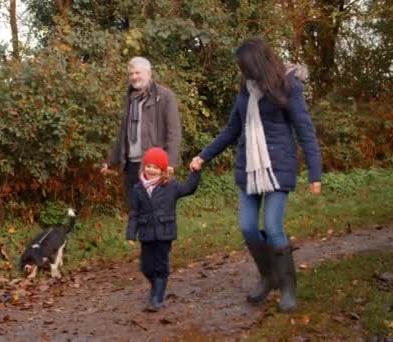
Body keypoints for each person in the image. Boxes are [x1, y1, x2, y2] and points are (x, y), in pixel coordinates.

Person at [189, 37, 321, 312]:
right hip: (248, 168)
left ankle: (287, 288)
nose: (242, 71)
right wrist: (204, 155)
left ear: (257, 62)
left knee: (273, 227)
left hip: (277, 168)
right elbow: (231, 130)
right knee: (248, 227)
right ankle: (268, 277)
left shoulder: (288, 85)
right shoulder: (244, 90)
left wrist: (314, 172)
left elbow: (305, 130)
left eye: (244, 65)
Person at [126, 147, 201, 312]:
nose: (151, 170)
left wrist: (195, 173)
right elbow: (134, 212)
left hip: (164, 232)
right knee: (146, 267)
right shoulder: (138, 188)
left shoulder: (171, 185)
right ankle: (155, 285)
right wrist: (131, 233)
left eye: (155, 167)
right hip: (146, 233)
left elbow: (189, 189)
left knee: (160, 265)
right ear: (144, 167)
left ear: (162, 169)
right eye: (148, 166)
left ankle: (157, 298)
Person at [101, 57, 182, 206]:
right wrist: (111, 160)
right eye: (131, 74)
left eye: (137, 73)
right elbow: (123, 134)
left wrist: (169, 163)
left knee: (154, 212)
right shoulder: (130, 98)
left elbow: (174, 133)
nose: (133, 77)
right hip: (131, 166)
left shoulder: (165, 96)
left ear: (148, 73)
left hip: (154, 167)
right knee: (135, 211)